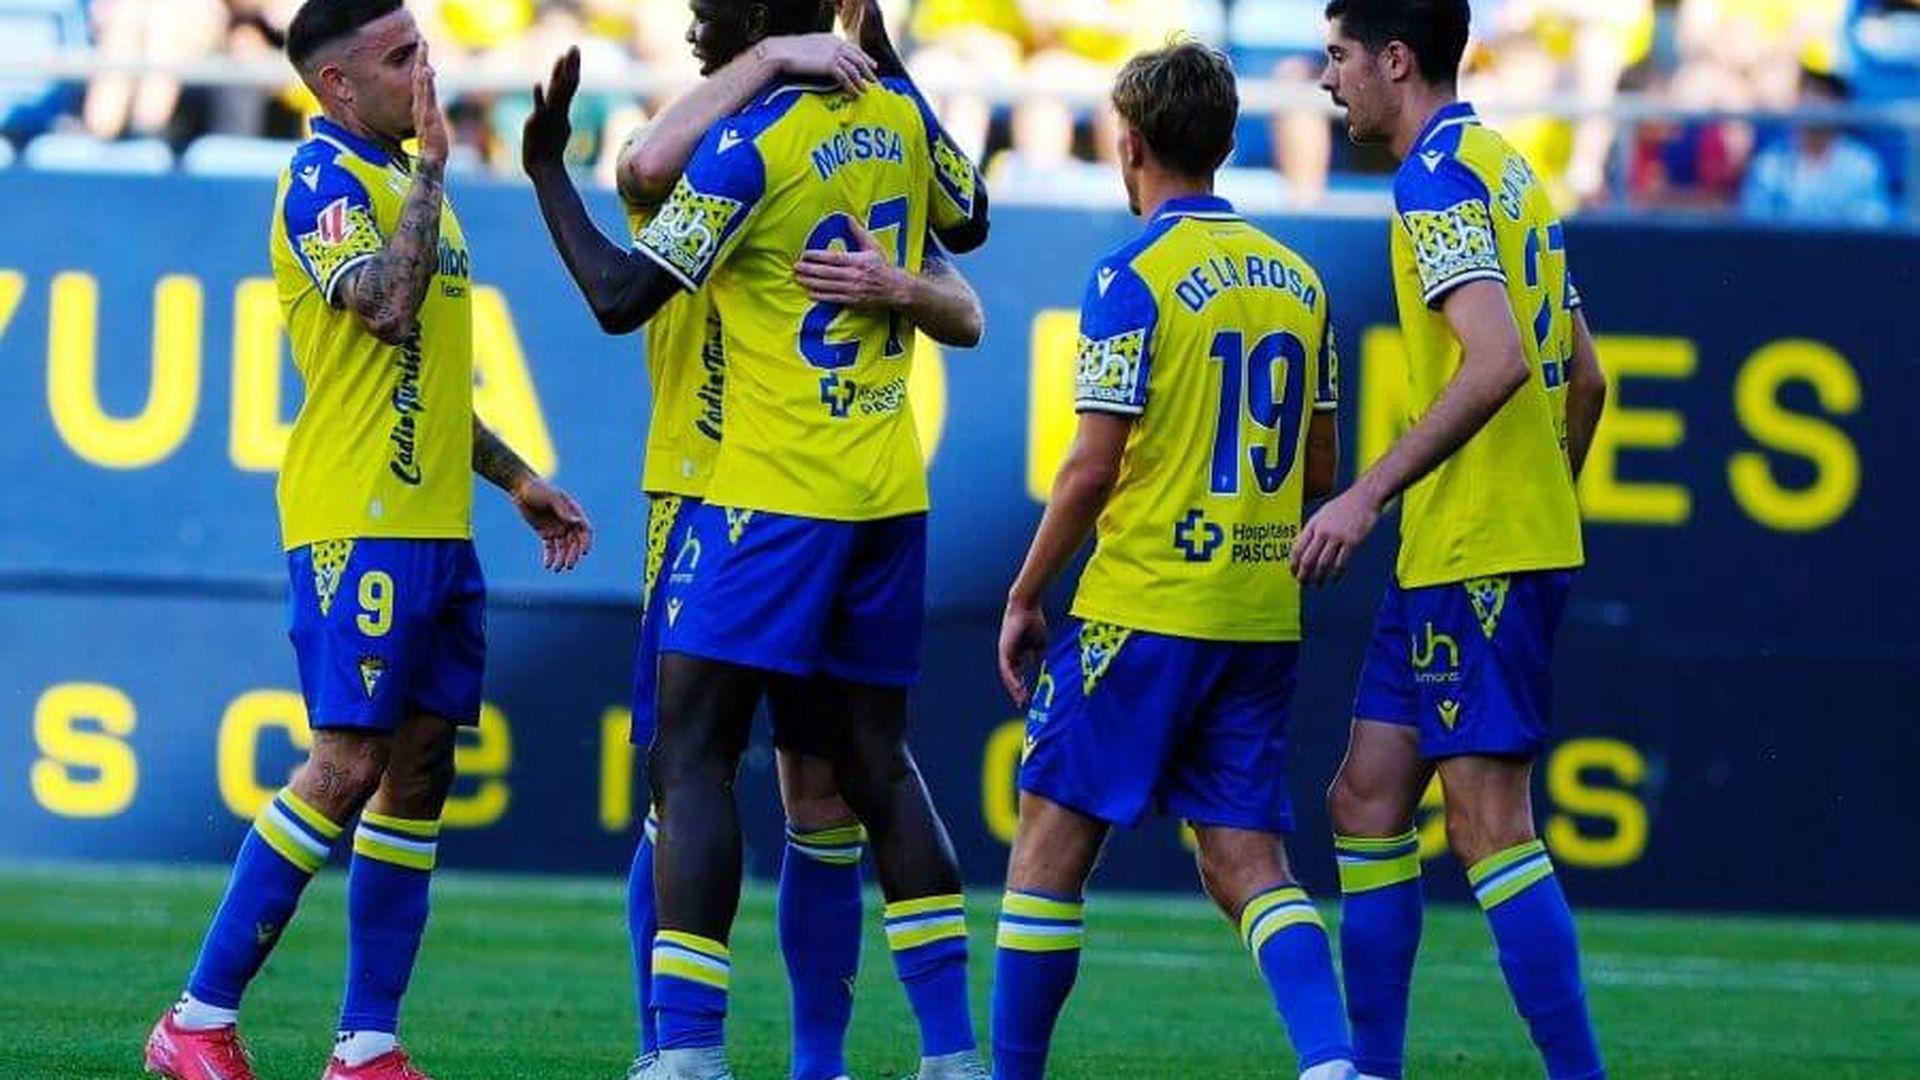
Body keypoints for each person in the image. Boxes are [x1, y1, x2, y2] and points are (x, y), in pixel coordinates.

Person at [520, 0, 991, 1076]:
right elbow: (970, 224)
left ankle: (682, 1049)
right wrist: (874, 48)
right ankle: (950, 1055)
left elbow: (621, 271)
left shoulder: (739, 145)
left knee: (688, 764)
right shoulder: (900, 123)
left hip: (752, 497)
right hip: (882, 491)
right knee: (871, 770)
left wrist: (547, 170)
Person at [141, 3, 593, 1080]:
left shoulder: (406, 186)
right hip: (359, 521)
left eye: (423, 47)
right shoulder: (322, 184)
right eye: (400, 58)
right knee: (343, 767)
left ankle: (368, 1045)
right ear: (337, 87)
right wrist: (435, 168)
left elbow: (424, 382)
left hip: (438, 522)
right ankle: (196, 1019)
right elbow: (386, 311)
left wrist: (519, 480)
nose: (424, 71)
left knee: (418, 772)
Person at [991, 38, 1355, 1080]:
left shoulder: (1131, 275)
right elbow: (1319, 464)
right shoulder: (1299, 281)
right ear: (1230, 143)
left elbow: (1090, 468)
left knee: (1049, 851)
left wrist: (1026, 592)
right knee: (1247, 859)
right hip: (1257, 611)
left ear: (1131, 144)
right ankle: (1331, 1062)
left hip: (1146, 606)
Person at [1306, 1, 1608, 1077]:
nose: (1325, 79)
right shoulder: (1508, 169)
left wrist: (1364, 496)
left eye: (1339, 57)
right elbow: (1587, 378)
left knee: (1489, 826)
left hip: (1474, 545)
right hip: (1475, 543)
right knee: (1366, 795)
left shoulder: (1433, 179)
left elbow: (1496, 362)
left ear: (1395, 58)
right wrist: (1540, 498)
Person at [1740, 67, 1894, 226]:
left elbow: (1871, 234)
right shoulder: (1769, 165)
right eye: (1807, 91)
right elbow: (1755, 233)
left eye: (1825, 94)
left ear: (1842, 103)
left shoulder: (1862, 166)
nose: (1814, 101)